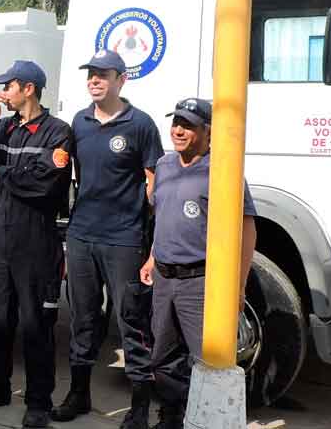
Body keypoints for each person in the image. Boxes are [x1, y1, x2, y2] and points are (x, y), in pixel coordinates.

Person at [0, 60, 72, 428]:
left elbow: (45, 185)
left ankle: (38, 402)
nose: (1, 94)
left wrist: (2, 173)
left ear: (28, 88)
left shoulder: (57, 132)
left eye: (7, 87)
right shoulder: (2, 128)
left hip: (34, 243)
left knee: (35, 325)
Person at [53, 50, 164, 429]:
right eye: (91, 75)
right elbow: (70, 171)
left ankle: (139, 408)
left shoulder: (141, 124)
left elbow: (154, 183)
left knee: (131, 320)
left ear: (121, 79)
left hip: (124, 239)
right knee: (83, 318)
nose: (95, 80)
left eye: (103, 74)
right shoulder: (79, 122)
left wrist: (149, 234)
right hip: (83, 234)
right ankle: (79, 394)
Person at [139, 98, 256, 429]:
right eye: (176, 122)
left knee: (206, 360)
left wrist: (239, 283)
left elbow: (246, 228)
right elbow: (162, 216)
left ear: (209, 131)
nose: (178, 130)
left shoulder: (223, 170)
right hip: (164, 277)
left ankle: (206, 419)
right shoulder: (163, 165)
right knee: (162, 357)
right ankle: (171, 417)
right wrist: (151, 257)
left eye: (188, 125)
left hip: (200, 281)